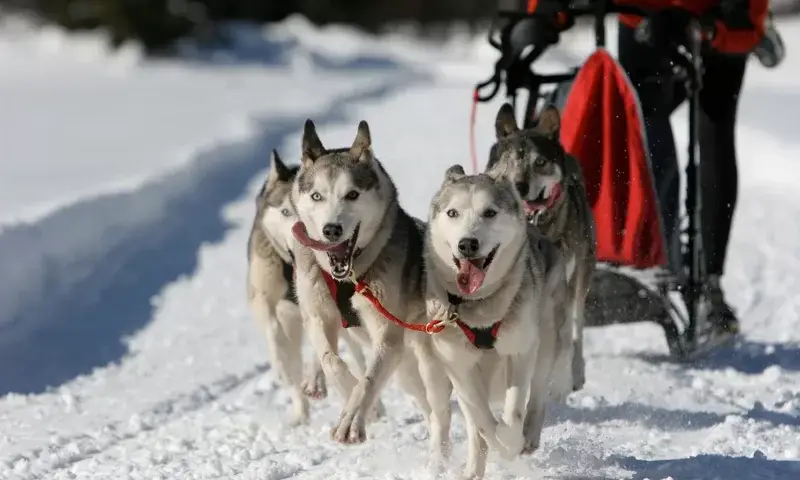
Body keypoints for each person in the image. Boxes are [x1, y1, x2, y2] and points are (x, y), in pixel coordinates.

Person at [615, 0, 783, 334]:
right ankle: (655, 252)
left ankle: (708, 282)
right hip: (642, 14)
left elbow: (742, 20)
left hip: (715, 14)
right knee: (643, 121)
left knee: (714, 128)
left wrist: (736, 26)